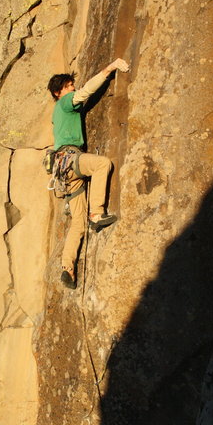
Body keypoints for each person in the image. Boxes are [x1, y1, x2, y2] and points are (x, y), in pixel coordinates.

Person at [48, 58, 129, 289]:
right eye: (68, 85)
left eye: (72, 84)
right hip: (71, 160)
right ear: (58, 92)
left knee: (77, 224)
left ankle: (67, 267)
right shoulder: (64, 103)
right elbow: (85, 93)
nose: (73, 87)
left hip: (64, 173)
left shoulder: (56, 114)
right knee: (102, 164)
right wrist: (109, 68)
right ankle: (97, 214)